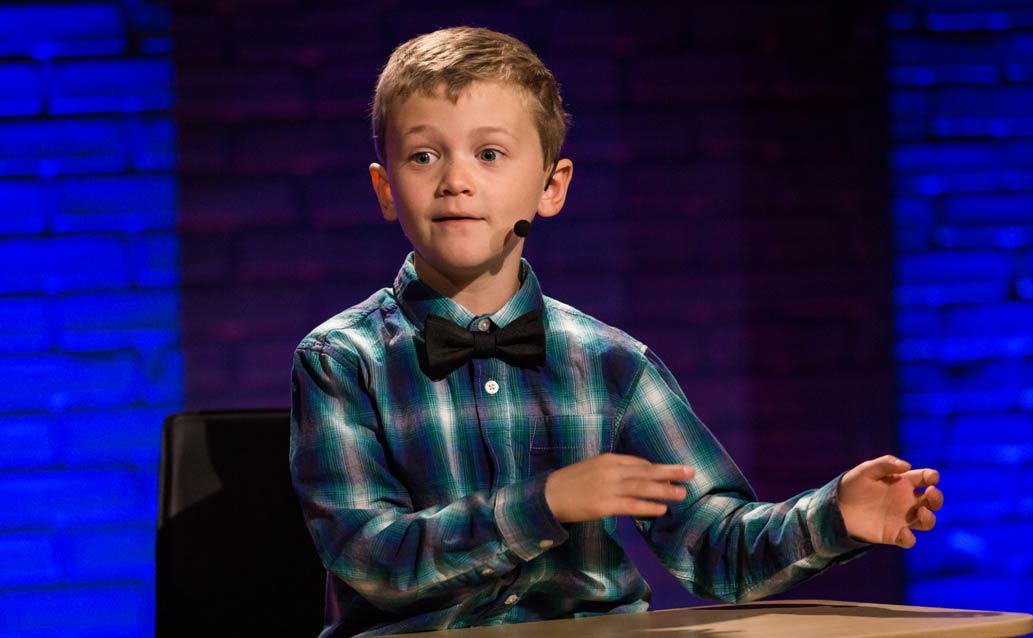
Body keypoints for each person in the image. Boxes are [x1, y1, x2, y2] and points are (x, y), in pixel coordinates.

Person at [290, 26, 943, 638]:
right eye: (424, 155)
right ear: (384, 188)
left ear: (551, 186)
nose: (456, 180)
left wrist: (832, 517)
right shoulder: (342, 360)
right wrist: (544, 502)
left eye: (490, 154)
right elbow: (368, 557)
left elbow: (714, 550)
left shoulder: (610, 364)